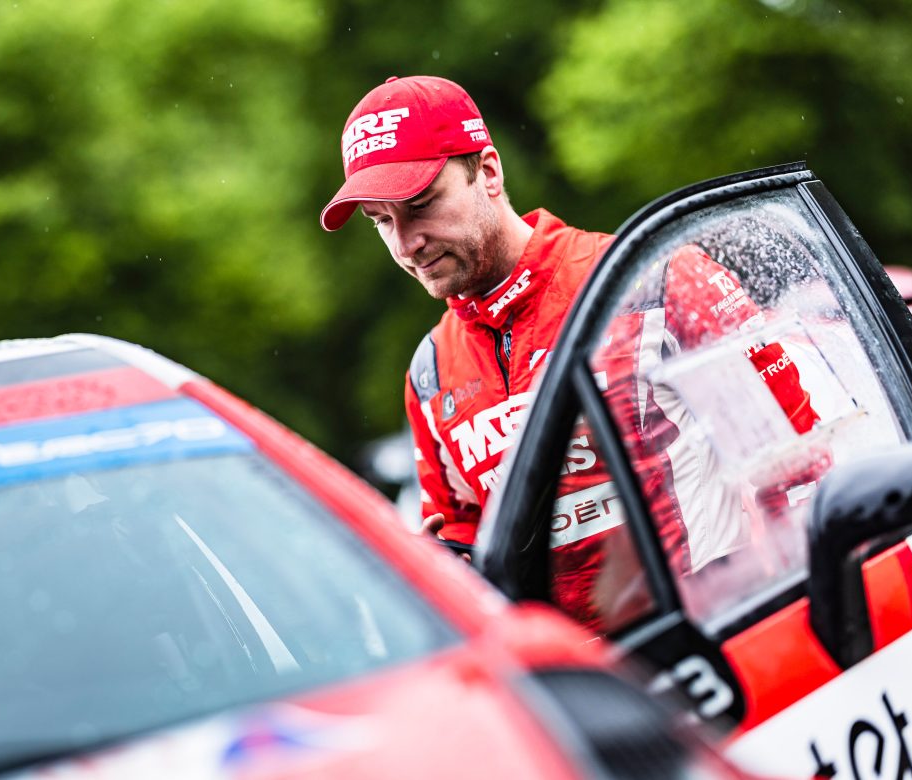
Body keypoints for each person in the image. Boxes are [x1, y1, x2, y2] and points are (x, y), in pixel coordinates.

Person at [320, 75, 821, 630]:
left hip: (709, 635)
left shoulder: (651, 281)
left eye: (420, 204)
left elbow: (798, 463)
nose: (405, 243)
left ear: (488, 173)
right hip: (570, 676)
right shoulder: (429, 371)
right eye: (381, 221)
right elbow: (464, 535)